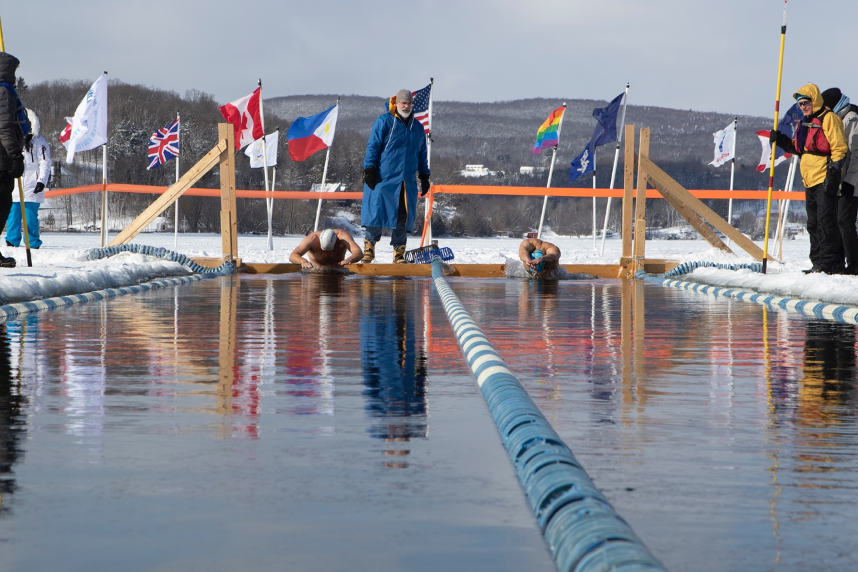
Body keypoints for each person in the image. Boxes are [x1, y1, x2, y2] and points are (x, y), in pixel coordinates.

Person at [771, 84, 848, 274]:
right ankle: (817, 262)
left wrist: (833, 172)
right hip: (808, 179)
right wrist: (780, 140)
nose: (803, 107)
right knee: (812, 224)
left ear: (814, 101)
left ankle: (829, 263)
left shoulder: (829, 119)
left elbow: (839, 148)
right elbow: (799, 148)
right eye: (800, 104)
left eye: (806, 103)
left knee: (825, 222)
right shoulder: (804, 123)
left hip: (823, 177)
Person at [360, 89, 430, 264]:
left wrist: (424, 175)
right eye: (403, 103)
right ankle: (369, 249)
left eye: (409, 103)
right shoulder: (383, 122)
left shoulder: (418, 127)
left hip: (406, 181)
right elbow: (373, 147)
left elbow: (422, 154)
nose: (406, 106)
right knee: (376, 212)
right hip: (383, 178)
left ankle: (399, 253)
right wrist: (369, 169)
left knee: (402, 216)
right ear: (396, 103)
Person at [821, 88, 858, 274]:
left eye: (826, 106)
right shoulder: (836, 120)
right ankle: (841, 263)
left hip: (851, 181)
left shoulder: (851, 119)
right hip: (840, 181)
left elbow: (856, 153)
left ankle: (854, 264)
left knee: (845, 221)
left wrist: (851, 181)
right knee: (837, 221)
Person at [6, 109, 50, 249]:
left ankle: (32, 242)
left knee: (30, 218)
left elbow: (45, 162)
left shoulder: (39, 142)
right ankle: (12, 242)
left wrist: (41, 181)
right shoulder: (13, 141)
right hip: (16, 186)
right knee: (13, 217)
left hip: (32, 186)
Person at [0, 52, 28, 268]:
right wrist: (15, 156)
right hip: (2, 158)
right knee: (1, 204)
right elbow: (5, 127)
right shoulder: (3, 92)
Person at [289, 228, 364, 269]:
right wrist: (302, 261)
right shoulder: (312, 239)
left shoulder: (343, 237)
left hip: (337, 272)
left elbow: (358, 253)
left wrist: (350, 259)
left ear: (335, 240)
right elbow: (293, 256)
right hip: (315, 272)